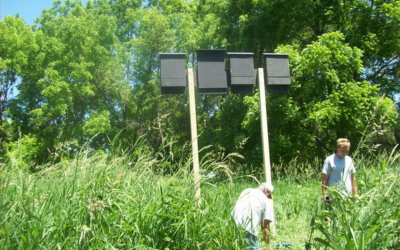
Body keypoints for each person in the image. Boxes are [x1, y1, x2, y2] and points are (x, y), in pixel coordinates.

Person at [231, 183, 274, 250]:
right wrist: (268, 245)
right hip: (249, 228)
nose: (268, 198)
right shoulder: (265, 200)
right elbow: (265, 226)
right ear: (266, 191)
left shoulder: (247, 190)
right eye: (268, 196)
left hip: (233, 224)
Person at [322, 138, 360, 203]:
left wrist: (355, 193)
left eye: (347, 151)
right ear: (337, 148)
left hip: (348, 197)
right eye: (343, 151)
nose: (345, 153)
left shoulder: (349, 160)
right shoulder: (330, 160)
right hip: (334, 197)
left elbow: (352, 178)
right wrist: (325, 195)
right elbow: (324, 179)